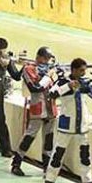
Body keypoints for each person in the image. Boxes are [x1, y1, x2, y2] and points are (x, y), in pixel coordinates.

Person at [43, 58, 92, 183]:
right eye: (81, 70)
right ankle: (49, 180)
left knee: (85, 155)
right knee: (58, 154)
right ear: (73, 70)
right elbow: (52, 94)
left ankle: (87, 181)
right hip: (66, 124)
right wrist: (68, 86)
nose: (83, 73)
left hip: (82, 125)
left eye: (84, 70)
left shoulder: (84, 83)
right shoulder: (62, 81)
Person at [11, 46, 57, 176]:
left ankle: (47, 167)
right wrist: (47, 76)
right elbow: (35, 88)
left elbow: (55, 89)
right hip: (38, 108)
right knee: (29, 137)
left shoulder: (48, 70)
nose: (47, 61)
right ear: (39, 57)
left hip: (50, 108)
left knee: (49, 139)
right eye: (46, 58)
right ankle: (16, 163)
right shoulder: (29, 69)